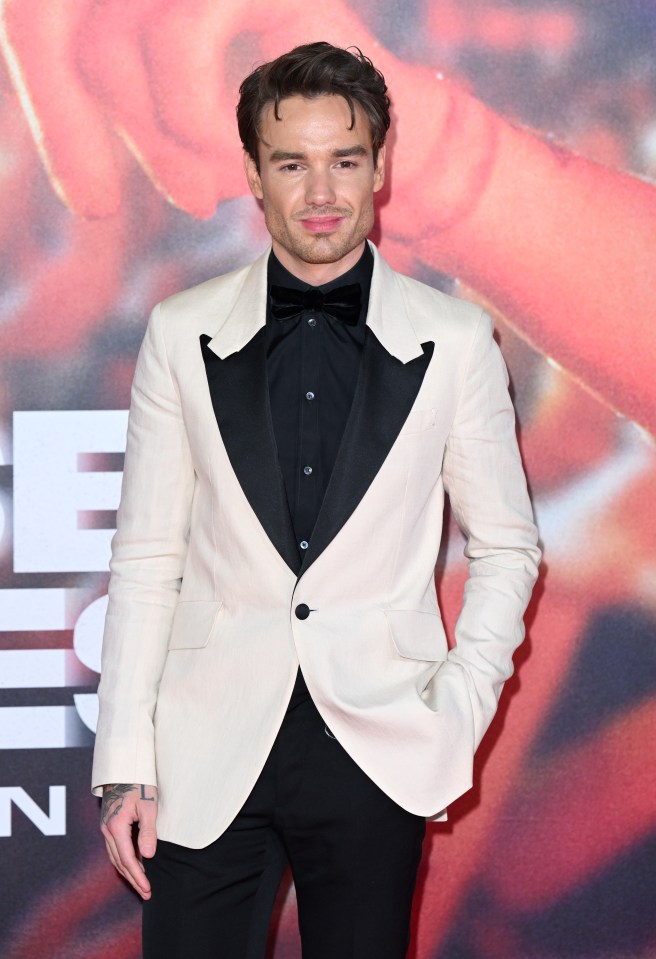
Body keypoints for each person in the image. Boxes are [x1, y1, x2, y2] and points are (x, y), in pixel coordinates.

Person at [92, 41, 540, 959]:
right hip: (204, 750)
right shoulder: (180, 331)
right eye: (292, 163)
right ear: (254, 174)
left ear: (380, 166)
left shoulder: (455, 340)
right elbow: (145, 559)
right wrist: (123, 765)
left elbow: (508, 548)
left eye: (344, 159)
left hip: (379, 743)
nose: (321, 189)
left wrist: (456, 704)